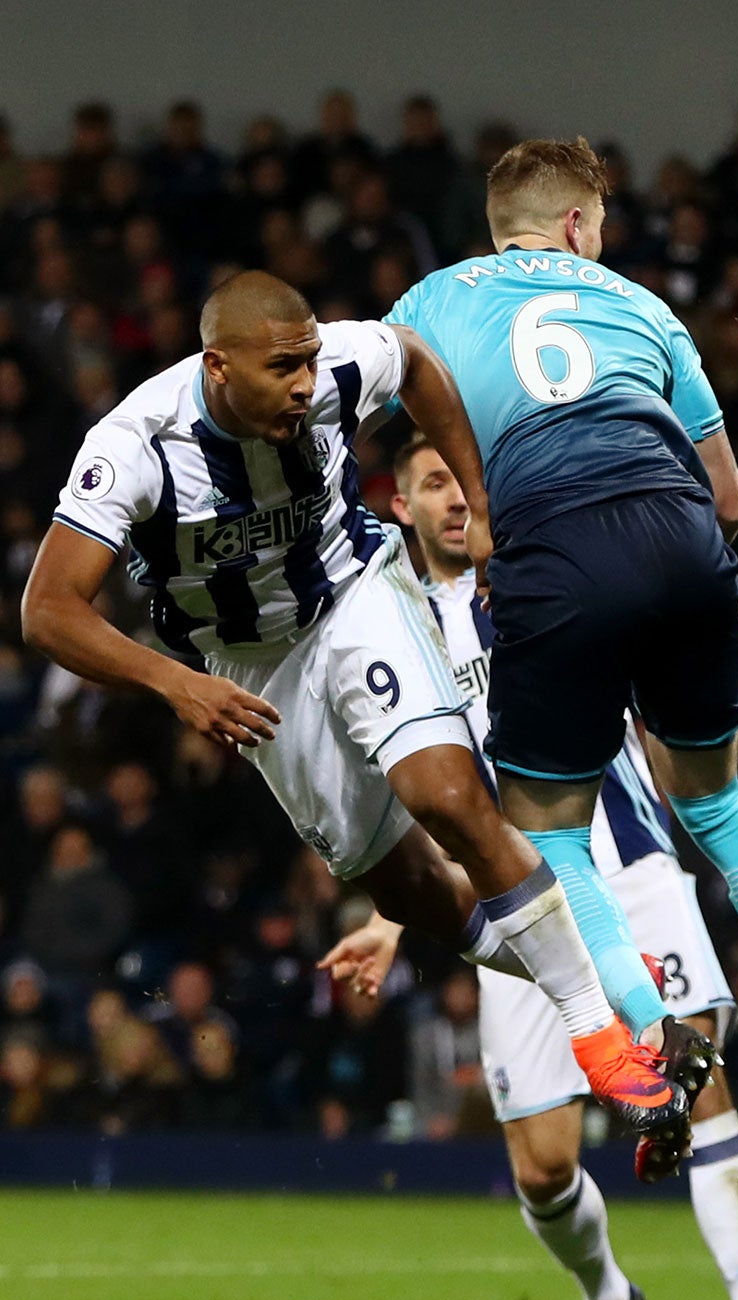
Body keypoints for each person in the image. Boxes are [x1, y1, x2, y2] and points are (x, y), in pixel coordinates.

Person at [19, 271, 698, 1142]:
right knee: (411, 890)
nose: (305, 383)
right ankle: (592, 978)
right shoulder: (138, 446)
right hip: (247, 668)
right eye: (281, 369)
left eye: (308, 360)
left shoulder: (339, 363)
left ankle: (601, 1037)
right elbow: (48, 610)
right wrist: (174, 682)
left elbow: (412, 357)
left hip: (353, 594)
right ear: (217, 367)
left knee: (448, 799)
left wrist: (480, 497)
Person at [381, 137, 738, 1124]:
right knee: (715, 806)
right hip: (683, 542)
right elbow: (731, 500)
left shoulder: (432, 302)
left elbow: (367, 395)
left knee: (550, 835)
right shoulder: (642, 306)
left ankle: (655, 1032)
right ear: (579, 224)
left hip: (558, 556)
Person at [323, 436, 738, 1300]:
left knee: (697, 1081)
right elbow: (417, 797)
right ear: (404, 507)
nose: (458, 501)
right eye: (436, 486)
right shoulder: (396, 633)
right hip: (513, 904)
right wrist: (392, 920)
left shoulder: (552, 574)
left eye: (465, 482)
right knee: (545, 1169)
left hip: (629, 871)